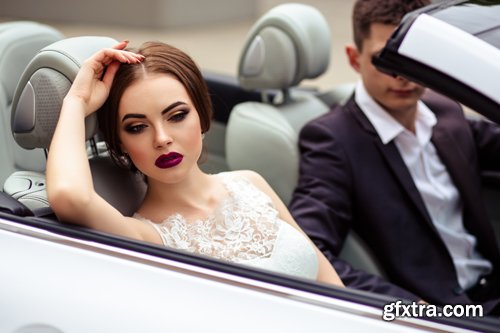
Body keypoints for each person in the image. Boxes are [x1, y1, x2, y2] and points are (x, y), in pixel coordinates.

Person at [46, 40, 343, 287]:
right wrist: (77, 101)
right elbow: (70, 196)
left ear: (202, 115)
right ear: (121, 142)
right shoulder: (145, 236)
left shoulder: (251, 183)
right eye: (137, 127)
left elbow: (337, 292)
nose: (162, 139)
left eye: (176, 116)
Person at [289, 0, 500, 315]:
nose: (403, 75)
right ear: (353, 58)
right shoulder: (332, 140)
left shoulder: (446, 111)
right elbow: (309, 252)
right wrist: (407, 308)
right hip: (438, 311)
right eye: (384, 59)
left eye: (415, 59)